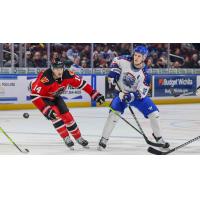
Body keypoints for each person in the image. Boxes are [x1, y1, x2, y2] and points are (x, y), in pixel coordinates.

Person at [98, 45, 170, 150]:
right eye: (135, 55)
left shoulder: (145, 74)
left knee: (154, 114)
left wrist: (130, 96)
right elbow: (115, 60)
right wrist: (114, 71)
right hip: (121, 94)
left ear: (144, 58)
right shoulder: (124, 59)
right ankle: (104, 139)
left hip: (136, 97)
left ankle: (159, 138)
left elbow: (142, 93)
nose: (136, 58)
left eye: (139, 56)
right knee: (113, 115)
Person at [30, 59, 105, 150]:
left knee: (67, 117)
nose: (59, 71)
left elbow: (82, 84)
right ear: (52, 69)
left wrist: (95, 94)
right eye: (57, 69)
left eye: (61, 68)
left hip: (56, 97)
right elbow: (34, 95)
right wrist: (45, 110)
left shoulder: (68, 74)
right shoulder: (46, 78)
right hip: (44, 98)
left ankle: (78, 137)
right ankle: (66, 137)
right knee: (55, 115)